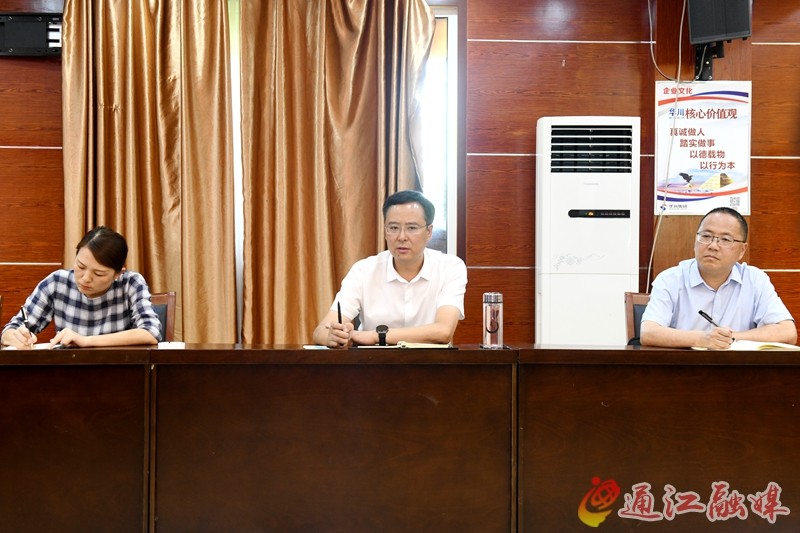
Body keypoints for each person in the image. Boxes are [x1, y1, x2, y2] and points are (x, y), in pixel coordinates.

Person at [312, 190, 467, 347]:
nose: (401, 237)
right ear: (385, 231)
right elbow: (320, 332)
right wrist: (333, 336)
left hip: (431, 361)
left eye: (412, 228)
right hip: (374, 362)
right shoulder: (363, 271)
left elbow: (443, 331)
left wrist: (376, 336)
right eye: (393, 228)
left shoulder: (450, 268)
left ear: (429, 232)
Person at [641, 207, 796, 349]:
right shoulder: (670, 279)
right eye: (706, 236)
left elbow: (787, 332)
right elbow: (649, 333)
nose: (713, 246)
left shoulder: (755, 280)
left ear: (742, 250)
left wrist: (729, 338)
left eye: (725, 239)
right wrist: (702, 339)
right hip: (684, 367)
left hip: (739, 368)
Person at [1, 226, 162, 349]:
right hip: (68, 372)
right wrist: (17, 336)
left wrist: (86, 341)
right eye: (80, 266)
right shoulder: (57, 282)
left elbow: (151, 332)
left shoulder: (131, 283)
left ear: (118, 274)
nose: (85, 278)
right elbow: (10, 330)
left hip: (119, 370)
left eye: (98, 273)